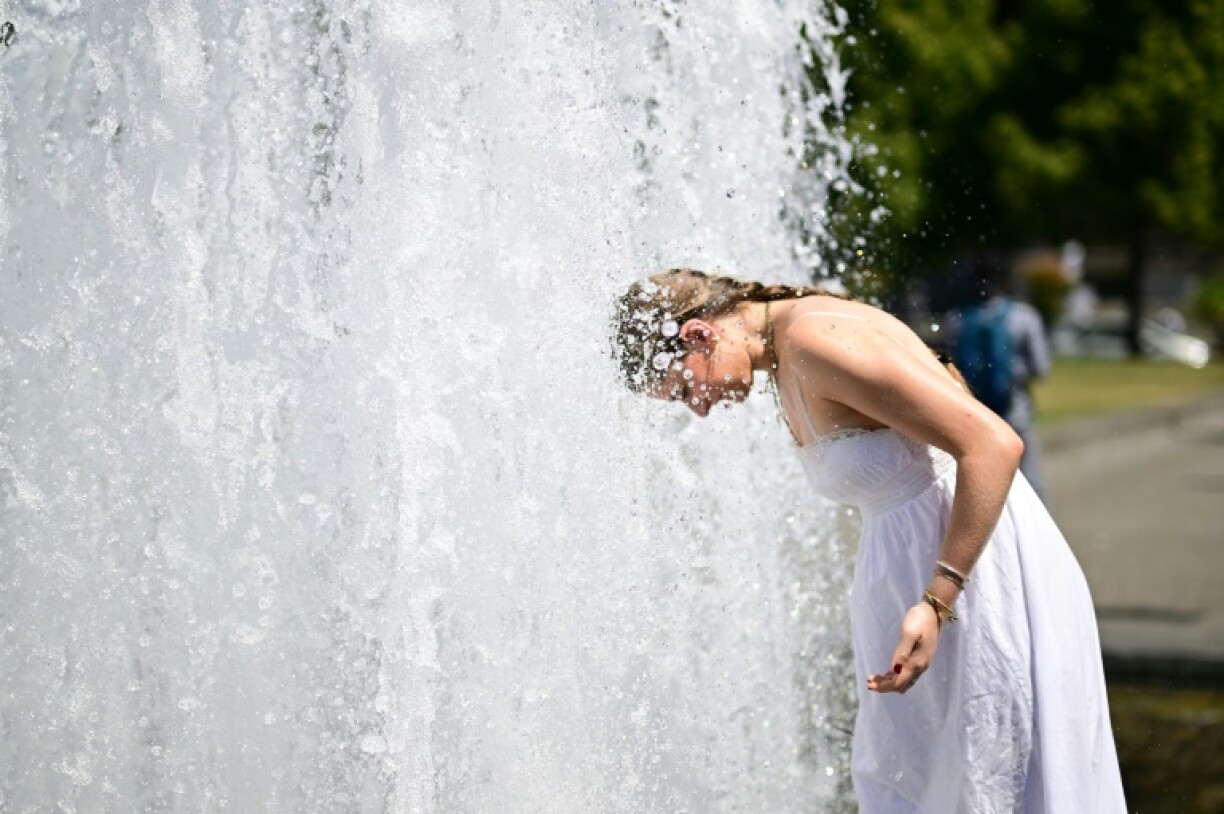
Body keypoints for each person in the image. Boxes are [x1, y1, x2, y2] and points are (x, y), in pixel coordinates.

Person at [613, 269, 1125, 813]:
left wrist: (937, 600)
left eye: (684, 389)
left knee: (994, 776)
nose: (697, 407)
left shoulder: (813, 340)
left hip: (974, 584)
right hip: (924, 585)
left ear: (699, 335)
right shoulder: (788, 351)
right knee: (932, 781)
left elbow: (993, 444)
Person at [947, 260, 1053, 502]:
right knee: (1030, 478)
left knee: (979, 481)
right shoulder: (1024, 317)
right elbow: (1041, 368)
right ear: (1005, 281)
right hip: (1015, 409)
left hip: (973, 412)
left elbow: (950, 364)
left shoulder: (958, 318)